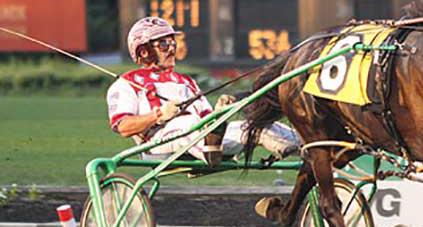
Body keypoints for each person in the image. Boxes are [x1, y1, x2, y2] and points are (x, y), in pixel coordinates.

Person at [107, 16, 299, 165]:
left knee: (257, 126)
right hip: (159, 145)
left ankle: (310, 148)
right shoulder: (127, 83)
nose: (172, 48)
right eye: (164, 44)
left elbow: (208, 122)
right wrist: (158, 115)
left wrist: (221, 111)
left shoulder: (186, 81)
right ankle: (210, 150)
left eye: (173, 42)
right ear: (144, 51)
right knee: (187, 122)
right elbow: (123, 126)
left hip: (200, 136)